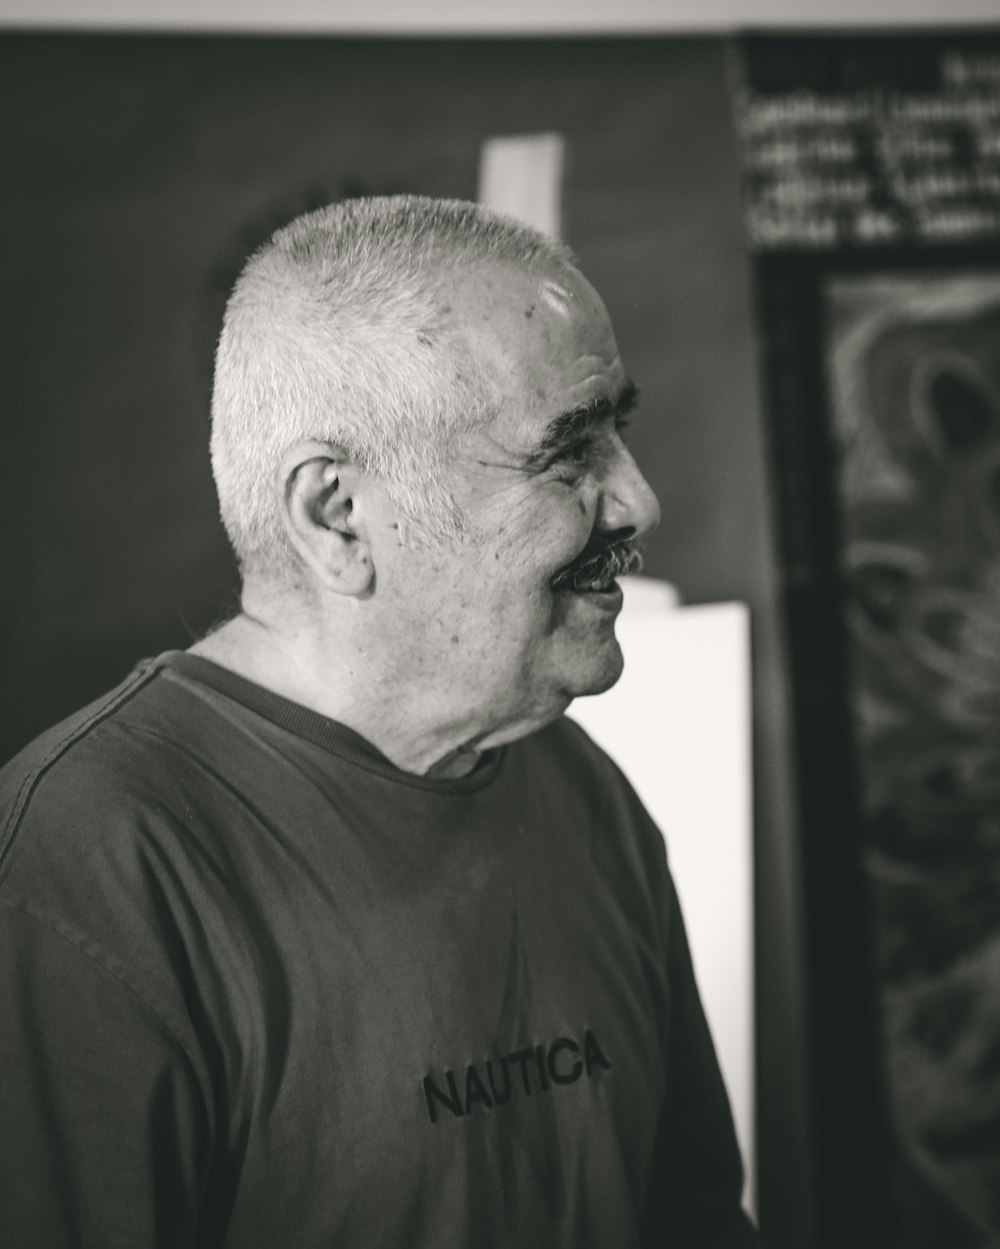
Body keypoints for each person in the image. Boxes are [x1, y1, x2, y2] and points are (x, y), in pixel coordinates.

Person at [0, 196, 758, 1247]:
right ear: (337, 514)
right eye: (568, 454)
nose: (636, 501)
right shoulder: (87, 869)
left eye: (619, 434)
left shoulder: (584, 792)